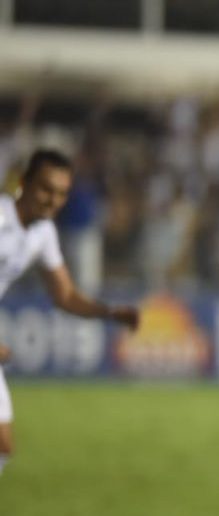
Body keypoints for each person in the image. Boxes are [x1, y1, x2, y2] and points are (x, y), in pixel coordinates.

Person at [0, 149, 140, 476]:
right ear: (24, 183)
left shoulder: (42, 233)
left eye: (61, 193)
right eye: (46, 189)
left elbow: (64, 294)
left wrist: (109, 312)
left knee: (4, 447)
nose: (53, 200)